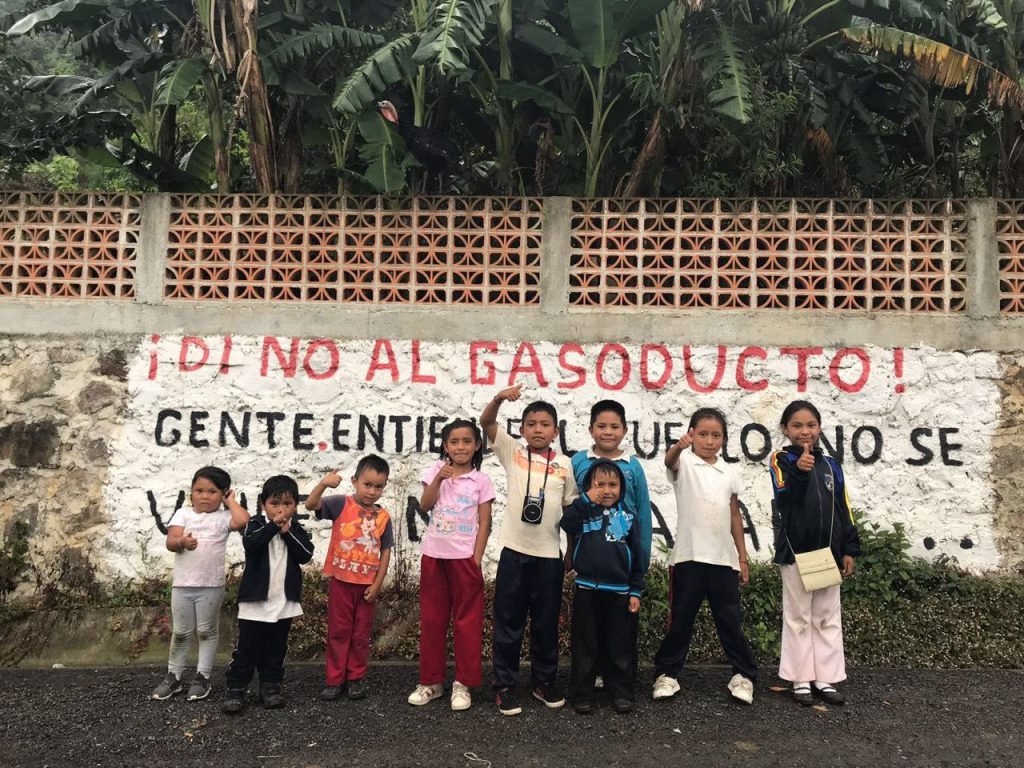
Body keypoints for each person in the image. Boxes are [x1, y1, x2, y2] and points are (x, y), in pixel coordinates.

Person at [481, 384, 579, 716]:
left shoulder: (566, 465)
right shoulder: (514, 453)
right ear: (522, 430)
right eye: (531, 424)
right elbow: (487, 424)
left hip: (549, 557)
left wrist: (571, 551)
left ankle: (543, 681)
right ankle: (505, 685)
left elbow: (570, 513)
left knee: (546, 623)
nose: (538, 430)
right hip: (514, 552)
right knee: (508, 622)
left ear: (555, 430)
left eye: (545, 424)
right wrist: (497, 400)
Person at [651, 408, 758, 705]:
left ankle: (743, 675)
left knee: (729, 620)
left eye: (716, 435)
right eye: (702, 434)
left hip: (723, 560)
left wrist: (742, 557)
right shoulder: (684, 463)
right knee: (681, 619)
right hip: (689, 557)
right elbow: (668, 461)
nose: (709, 441)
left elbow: (734, 515)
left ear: (723, 439)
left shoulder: (729, 472)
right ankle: (667, 674)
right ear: (692, 435)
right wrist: (678, 447)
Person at [769, 400, 860, 706]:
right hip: (797, 553)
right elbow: (785, 497)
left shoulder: (831, 465)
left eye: (811, 425)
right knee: (798, 617)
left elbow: (843, 508)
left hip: (829, 554)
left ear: (819, 428)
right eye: (797, 425)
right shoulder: (780, 459)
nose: (804, 431)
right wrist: (799, 472)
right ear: (785, 429)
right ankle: (800, 679)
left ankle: (826, 677)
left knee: (826, 617)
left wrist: (849, 548)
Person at [407, 419, 494, 711]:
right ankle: (431, 681)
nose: (460, 447)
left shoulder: (481, 480)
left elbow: (485, 522)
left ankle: (463, 683)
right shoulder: (435, 471)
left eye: (467, 441)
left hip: (465, 559)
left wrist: (477, 558)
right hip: (435, 555)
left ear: (477, 446)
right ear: (445, 446)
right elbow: (424, 505)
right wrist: (439, 479)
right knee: (433, 620)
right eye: (454, 442)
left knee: (467, 622)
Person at [569, 399, 652, 689]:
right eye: (601, 426)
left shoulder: (632, 467)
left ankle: (618, 682)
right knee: (588, 629)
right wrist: (569, 556)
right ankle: (593, 677)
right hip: (590, 554)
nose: (607, 432)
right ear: (591, 429)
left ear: (625, 430)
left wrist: (640, 561)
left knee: (619, 629)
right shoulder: (579, 461)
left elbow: (642, 511)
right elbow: (569, 509)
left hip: (621, 555)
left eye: (614, 426)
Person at [151, 466, 249, 701]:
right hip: (183, 586)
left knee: (206, 631)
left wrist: (231, 502)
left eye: (213, 491)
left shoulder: (224, 517)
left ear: (224, 494)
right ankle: (173, 676)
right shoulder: (183, 515)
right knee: (182, 633)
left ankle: (202, 677)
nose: (204, 496)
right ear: (191, 492)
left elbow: (243, 520)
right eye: (199, 490)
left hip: (211, 586)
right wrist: (182, 542)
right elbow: (170, 541)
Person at [222, 475, 314, 714]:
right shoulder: (255, 524)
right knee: (247, 648)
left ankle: (271, 687)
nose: (281, 509)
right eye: (275, 504)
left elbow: (305, 555)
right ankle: (236, 688)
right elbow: (251, 545)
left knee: (276, 648)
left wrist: (286, 531)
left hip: (283, 603)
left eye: (287, 504)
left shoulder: (296, 530)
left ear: (295, 505)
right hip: (255, 602)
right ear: (264, 504)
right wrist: (273, 526)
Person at [305, 455, 394, 702]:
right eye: (367, 484)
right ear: (355, 481)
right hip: (342, 581)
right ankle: (334, 680)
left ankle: (355, 678)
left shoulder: (384, 517)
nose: (372, 491)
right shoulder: (340, 504)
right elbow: (311, 505)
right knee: (339, 631)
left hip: (366, 587)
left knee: (360, 634)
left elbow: (385, 551)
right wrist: (323, 484)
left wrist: (377, 584)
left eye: (378, 486)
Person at [560, 460, 644, 714]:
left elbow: (637, 556)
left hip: (619, 592)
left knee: (620, 645)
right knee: (586, 644)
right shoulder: (583, 511)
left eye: (613, 485)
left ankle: (620, 692)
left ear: (621, 488)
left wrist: (635, 590)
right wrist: (585, 500)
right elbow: (566, 524)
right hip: (587, 589)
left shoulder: (629, 517)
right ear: (589, 487)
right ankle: (581, 694)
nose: (607, 490)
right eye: (600, 485)